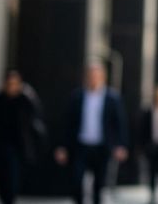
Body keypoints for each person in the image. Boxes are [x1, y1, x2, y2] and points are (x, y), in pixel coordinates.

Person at [54, 59, 129, 204]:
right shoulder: (77, 96)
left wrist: (121, 145)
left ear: (103, 77)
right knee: (76, 180)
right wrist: (62, 146)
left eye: (97, 75)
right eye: (91, 75)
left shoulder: (112, 98)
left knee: (99, 185)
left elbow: (120, 124)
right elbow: (67, 124)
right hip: (81, 146)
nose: (93, 78)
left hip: (102, 147)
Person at [0, 70, 46, 204]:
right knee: (0, 175)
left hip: (18, 146)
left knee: (12, 177)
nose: (12, 87)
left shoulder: (25, 99)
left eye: (15, 84)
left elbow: (36, 119)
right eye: (9, 83)